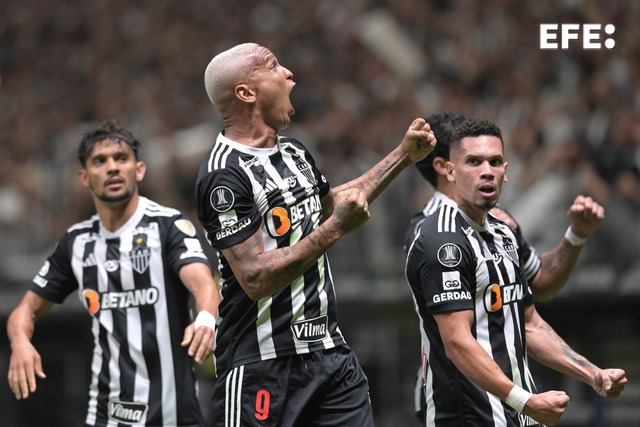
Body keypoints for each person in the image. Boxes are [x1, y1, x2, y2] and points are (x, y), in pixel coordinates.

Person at [195, 42, 436, 427]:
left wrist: (403, 156)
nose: (288, 73)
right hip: (263, 365)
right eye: (273, 66)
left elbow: (330, 206)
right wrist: (336, 229)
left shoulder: (293, 152)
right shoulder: (224, 175)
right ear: (246, 93)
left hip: (330, 356)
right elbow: (254, 277)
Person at [404, 118, 626, 426]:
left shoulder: (504, 232)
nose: (487, 171)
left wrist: (592, 373)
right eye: (474, 162)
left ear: (505, 171)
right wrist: (527, 401)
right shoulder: (441, 240)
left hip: (518, 413)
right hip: (470, 416)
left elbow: (530, 324)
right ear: (450, 171)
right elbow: (457, 341)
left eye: (495, 162)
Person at [7, 120, 220, 427]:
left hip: (174, 414)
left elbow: (203, 284)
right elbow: (23, 312)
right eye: (100, 161)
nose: (112, 168)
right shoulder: (77, 243)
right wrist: (20, 344)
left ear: (139, 170)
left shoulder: (168, 226)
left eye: (121, 158)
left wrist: (205, 320)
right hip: (107, 413)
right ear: (84, 177)